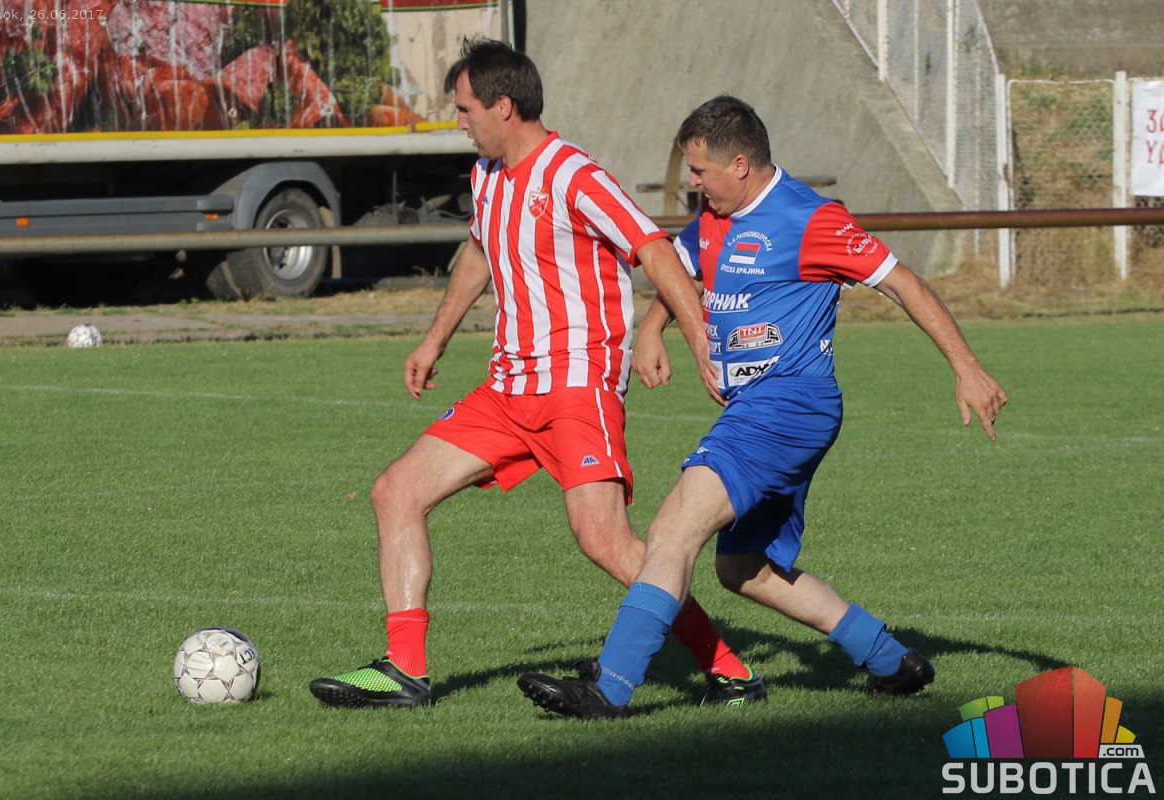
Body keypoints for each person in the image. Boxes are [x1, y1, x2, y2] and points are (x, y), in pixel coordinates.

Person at [517, 95, 1010, 718]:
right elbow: (678, 270)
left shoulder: (810, 219)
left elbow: (903, 282)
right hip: (766, 410)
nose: (694, 184)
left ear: (740, 165)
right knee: (741, 567)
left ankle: (609, 689)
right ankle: (891, 660)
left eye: (700, 171)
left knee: (673, 530)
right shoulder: (713, 218)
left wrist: (967, 367)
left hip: (786, 406)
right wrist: (653, 329)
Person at [309, 45, 765, 709]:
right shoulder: (487, 174)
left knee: (604, 541)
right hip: (507, 389)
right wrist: (434, 341)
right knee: (395, 491)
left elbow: (653, 247)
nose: (459, 121)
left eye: (465, 109)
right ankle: (405, 670)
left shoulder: (573, 174)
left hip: (578, 386)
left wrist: (697, 338)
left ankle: (727, 669)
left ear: (503, 106)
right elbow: (480, 249)